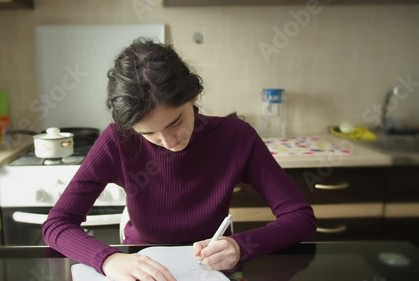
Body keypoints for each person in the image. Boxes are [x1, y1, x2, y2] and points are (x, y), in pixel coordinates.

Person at [43, 37, 316, 281]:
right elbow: (57, 224)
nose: (167, 141)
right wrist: (109, 259)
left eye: (175, 122)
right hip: (140, 262)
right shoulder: (118, 139)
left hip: (211, 267)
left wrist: (241, 246)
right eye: (149, 133)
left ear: (193, 95)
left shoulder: (235, 137)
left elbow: (300, 217)